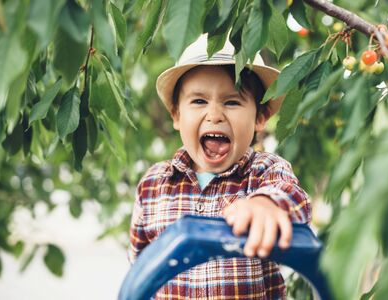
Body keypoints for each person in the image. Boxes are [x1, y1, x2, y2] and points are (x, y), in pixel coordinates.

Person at [128, 34, 311, 299]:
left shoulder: (264, 172)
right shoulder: (154, 184)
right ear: (176, 115)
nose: (214, 115)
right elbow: (140, 266)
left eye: (232, 102)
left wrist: (265, 205)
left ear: (260, 117)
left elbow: (294, 199)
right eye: (199, 101)